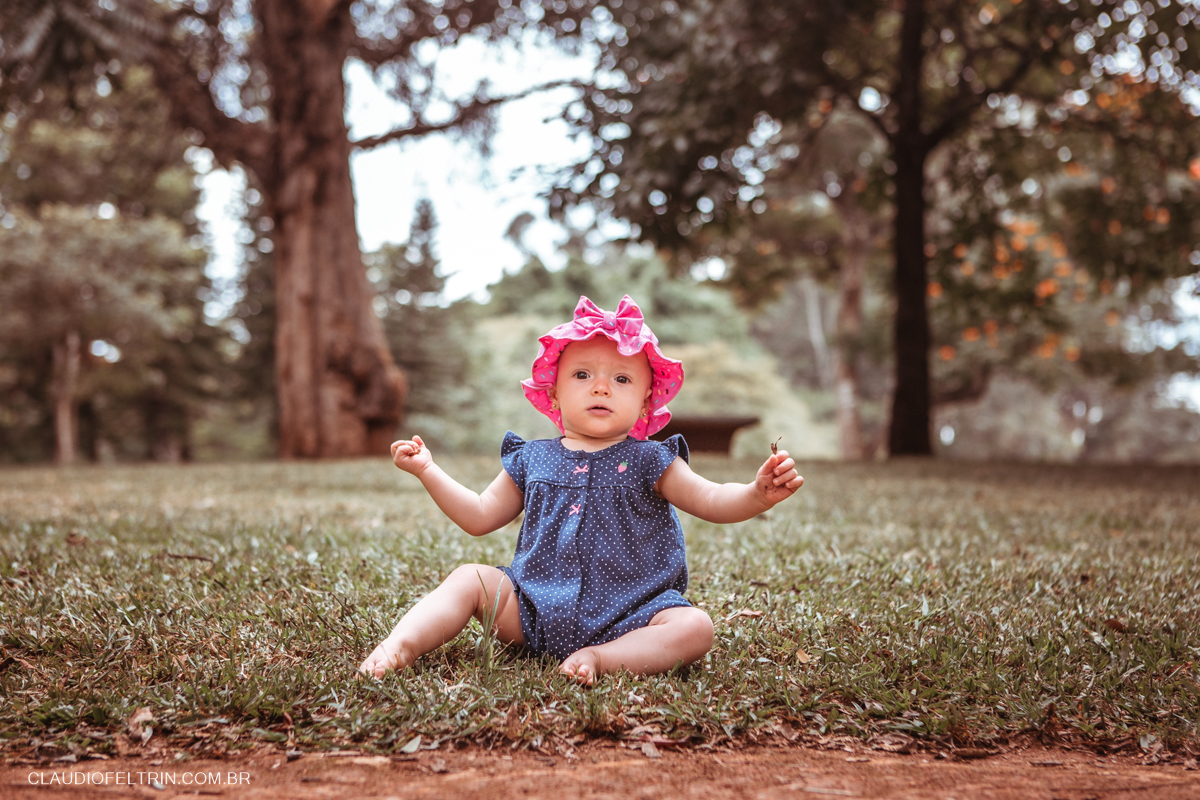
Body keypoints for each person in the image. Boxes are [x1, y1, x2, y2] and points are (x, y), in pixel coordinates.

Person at [359, 295, 804, 684]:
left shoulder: (652, 460)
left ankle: (600, 658)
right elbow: (478, 516)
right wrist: (428, 471)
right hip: (533, 614)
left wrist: (755, 495)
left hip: (634, 617)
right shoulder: (530, 458)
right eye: (583, 375)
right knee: (470, 579)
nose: (601, 387)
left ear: (648, 401)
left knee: (695, 627)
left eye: (622, 380)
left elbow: (709, 498)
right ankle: (399, 647)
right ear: (552, 393)